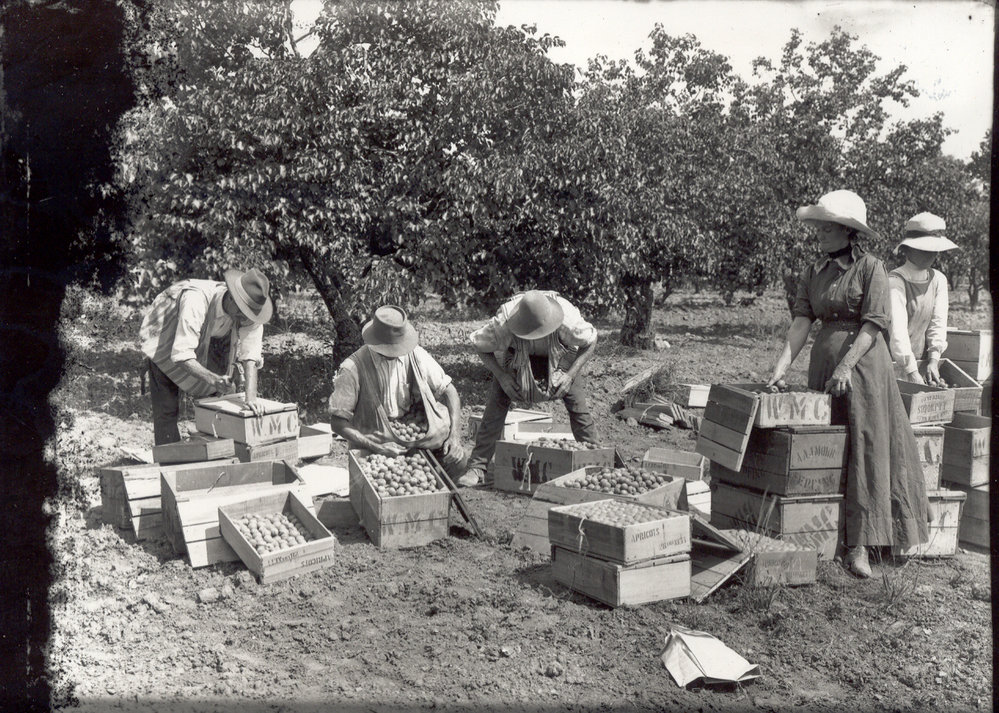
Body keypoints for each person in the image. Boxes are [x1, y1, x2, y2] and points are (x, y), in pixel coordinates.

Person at [766, 190, 929, 578]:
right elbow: (802, 323)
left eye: (827, 227)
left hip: (865, 368)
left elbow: (874, 324)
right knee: (826, 447)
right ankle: (826, 533)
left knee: (865, 449)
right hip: (825, 367)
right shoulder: (814, 271)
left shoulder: (870, 267)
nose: (819, 233)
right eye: (818, 226)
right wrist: (780, 368)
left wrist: (846, 367)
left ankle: (862, 545)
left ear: (847, 231)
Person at [460, 290, 598, 487]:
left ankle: (598, 462)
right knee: (495, 406)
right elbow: (479, 346)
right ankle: (477, 467)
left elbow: (591, 341)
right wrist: (502, 377)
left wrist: (570, 375)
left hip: (560, 358)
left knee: (579, 409)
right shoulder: (503, 324)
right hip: (516, 356)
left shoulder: (568, 321)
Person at [139, 268, 273, 446]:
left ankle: (215, 454)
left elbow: (251, 354)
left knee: (222, 399)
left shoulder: (249, 313)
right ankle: (168, 460)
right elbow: (181, 354)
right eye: (243, 313)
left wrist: (251, 398)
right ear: (232, 298)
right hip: (166, 336)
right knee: (167, 408)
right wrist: (213, 379)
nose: (245, 319)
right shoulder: (196, 300)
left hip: (211, 336)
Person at [328, 305, 465, 475]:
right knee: (382, 484)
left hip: (414, 438)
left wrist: (454, 437)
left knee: (457, 461)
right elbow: (338, 423)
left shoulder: (416, 355)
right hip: (376, 443)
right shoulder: (352, 368)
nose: (394, 352)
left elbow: (449, 391)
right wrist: (377, 448)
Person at [888, 212, 959, 384]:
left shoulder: (938, 279)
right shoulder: (895, 281)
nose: (931, 254)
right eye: (924, 248)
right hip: (891, 363)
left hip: (919, 360)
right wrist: (912, 372)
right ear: (907, 249)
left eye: (935, 249)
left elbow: (938, 323)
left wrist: (933, 360)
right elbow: (898, 333)